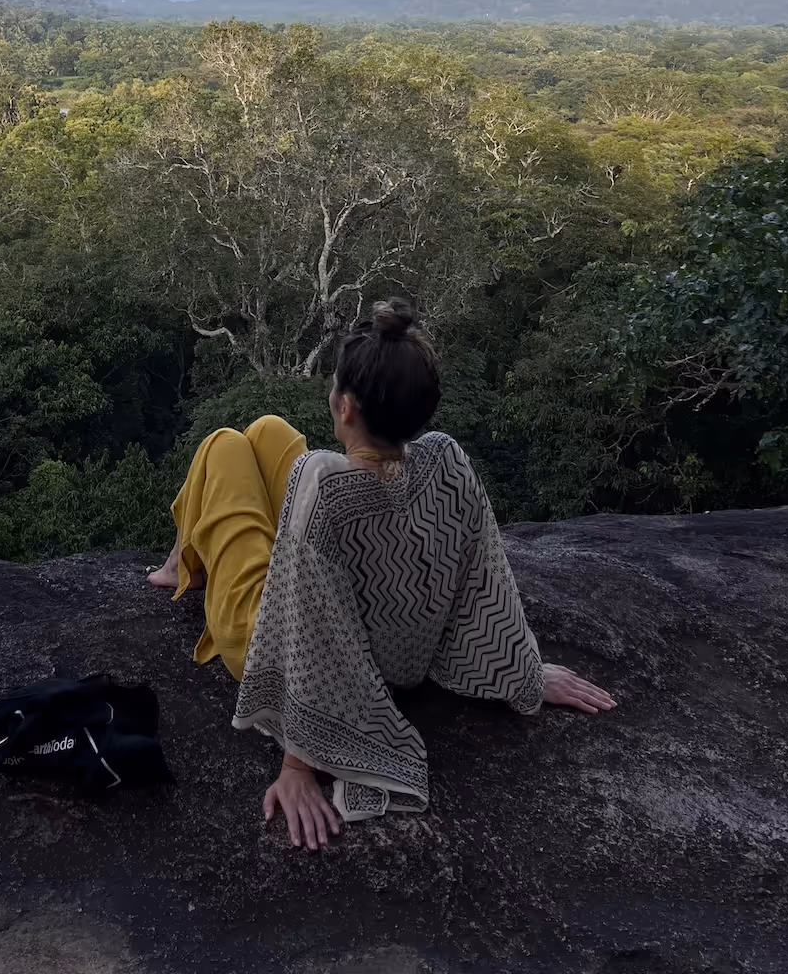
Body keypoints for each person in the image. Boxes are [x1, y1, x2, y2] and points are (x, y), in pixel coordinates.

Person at [148, 299, 615, 850]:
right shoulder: (445, 460)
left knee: (224, 444)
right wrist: (521, 667)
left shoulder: (325, 486)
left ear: (344, 406)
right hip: (382, 634)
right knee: (269, 429)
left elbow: (315, 637)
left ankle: (187, 562)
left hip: (270, 636)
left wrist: (299, 765)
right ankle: (188, 557)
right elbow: (483, 576)